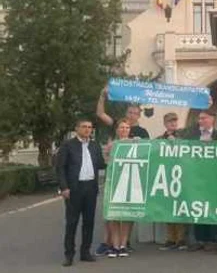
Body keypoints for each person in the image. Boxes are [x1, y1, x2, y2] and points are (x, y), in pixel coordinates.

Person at [95, 87, 150, 255]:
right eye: (130, 112)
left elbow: (148, 152)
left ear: (138, 115)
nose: (132, 115)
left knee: (127, 211)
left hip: (131, 176)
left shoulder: (142, 133)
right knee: (110, 211)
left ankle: (123, 243)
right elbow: (100, 114)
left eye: (135, 113)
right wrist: (102, 96)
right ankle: (109, 242)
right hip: (113, 175)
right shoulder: (117, 126)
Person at [56, 119, 107, 267]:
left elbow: (101, 164)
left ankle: (85, 252)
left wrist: (114, 154)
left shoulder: (95, 145)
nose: (87, 130)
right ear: (77, 128)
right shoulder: (68, 145)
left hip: (90, 188)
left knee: (89, 222)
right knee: (72, 223)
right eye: (84, 127)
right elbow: (60, 168)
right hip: (74, 189)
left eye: (90, 127)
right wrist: (64, 187)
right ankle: (69, 255)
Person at [182, 109, 217, 252]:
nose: (200, 121)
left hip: (212, 177)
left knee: (211, 207)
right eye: (199, 119)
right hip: (197, 177)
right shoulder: (193, 136)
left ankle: (211, 239)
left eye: (203, 118)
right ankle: (199, 239)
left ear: (212, 119)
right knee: (198, 206)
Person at [104, 119, 135, 258]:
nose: (124, 130)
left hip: (130, 182)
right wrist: (108, 152)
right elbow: (106, 162)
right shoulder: (112, 145)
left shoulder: (136, 143)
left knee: (126, 215)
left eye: (127, 127)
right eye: (121, 127)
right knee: (114, 215)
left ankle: (123, 244)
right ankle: (114, 245)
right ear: (117, 130)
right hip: (114, 182)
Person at [157, 113, 187, 252]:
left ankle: (181, 239)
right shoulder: (159, 139)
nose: (173, 124)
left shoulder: (183, 136)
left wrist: (176, 141)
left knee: (180, 206)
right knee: (168, 207)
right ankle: (171, 238)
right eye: (170, 122)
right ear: (165, 123)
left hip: (180, 176)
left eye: (175, 121)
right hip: (165, 177)